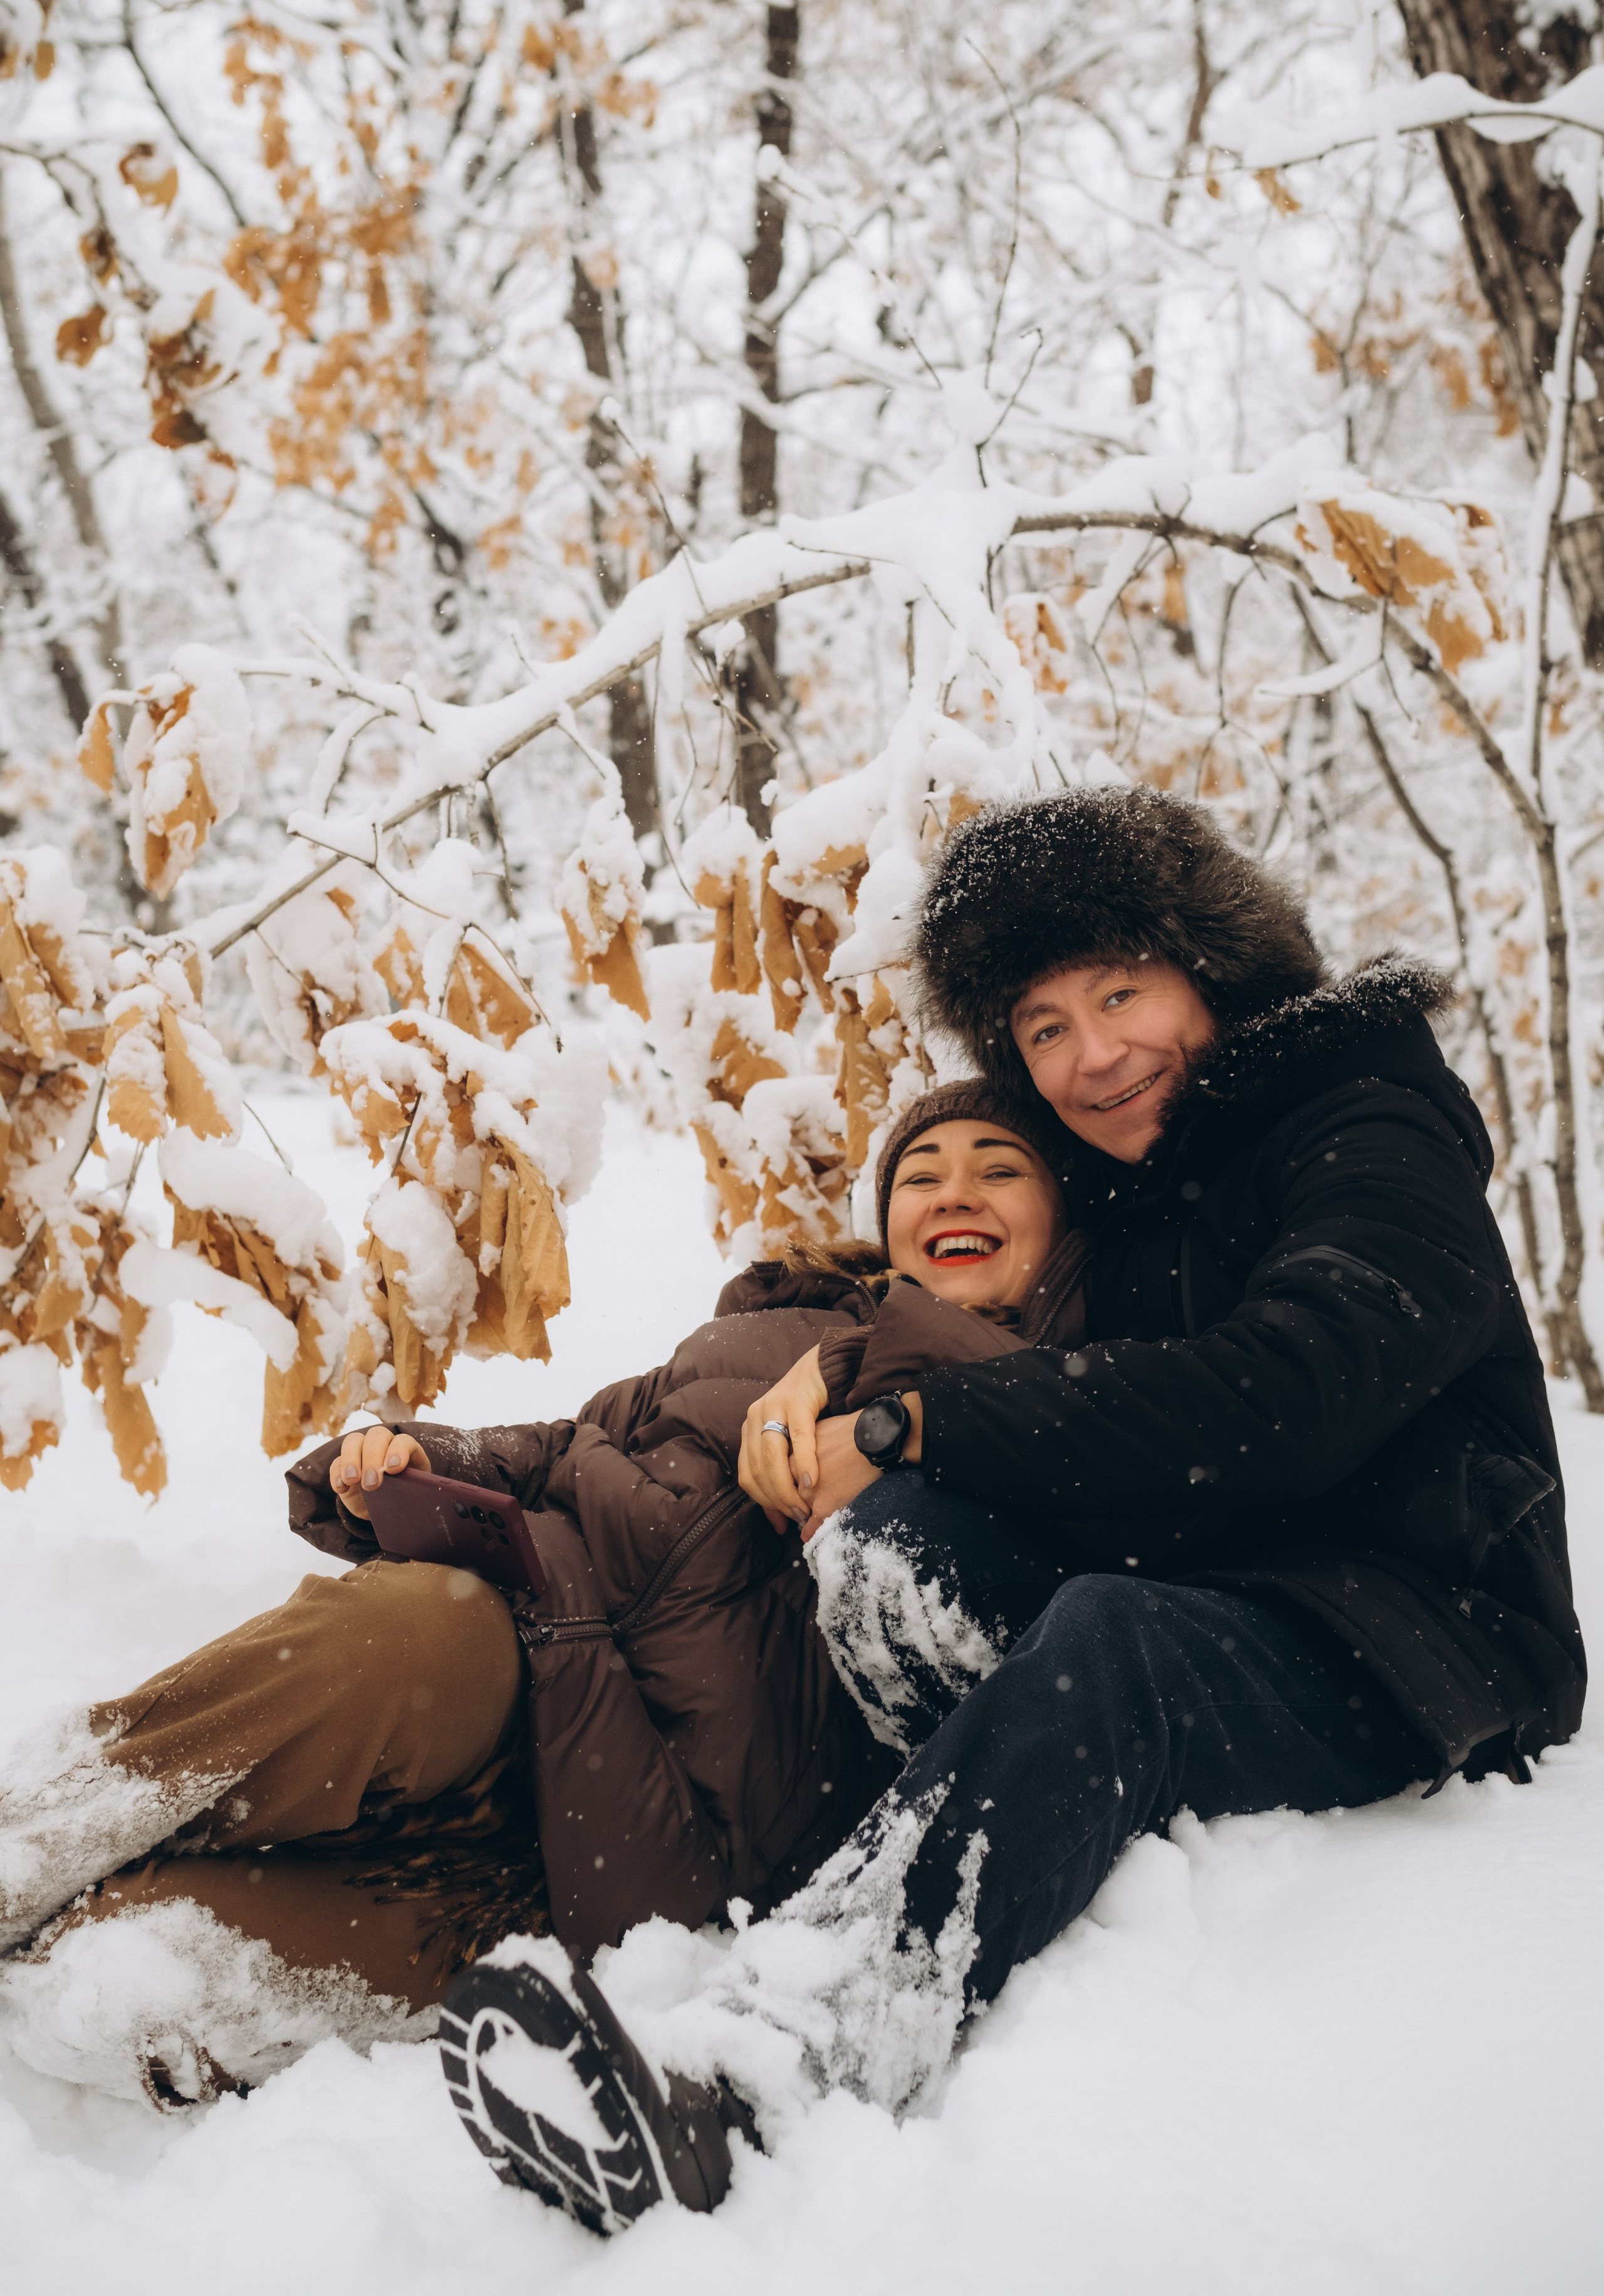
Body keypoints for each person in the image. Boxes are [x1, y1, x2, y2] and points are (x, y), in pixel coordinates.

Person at [440, 783, 1585, 2236]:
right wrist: (838, 1372)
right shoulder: (1134, 1181)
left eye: (1119, 994)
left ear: (1212, 970)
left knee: (1108, 1639)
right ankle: (962, 1842)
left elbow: (1286, 1393)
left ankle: (760, 2078)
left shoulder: (1362, 1124)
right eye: (1041, 1029)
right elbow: (979, 1313)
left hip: (1415, 1630)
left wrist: (913, 1416)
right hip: (1225, 1590)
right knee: (886, 1541)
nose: (1090, 1056)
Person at [0, 1084, 1081, 2111]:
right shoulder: (769, 1331)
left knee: (118, 1979)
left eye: (999, 1170)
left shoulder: (1087, 1415)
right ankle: (26, 1841)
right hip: (523, 1656)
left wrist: (860, 1364)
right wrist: (421, 1462)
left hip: (619, 1860)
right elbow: (575, 1446)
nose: (954, 1194)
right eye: (921, 1175)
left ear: (1072, 1219)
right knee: (398, 1635)